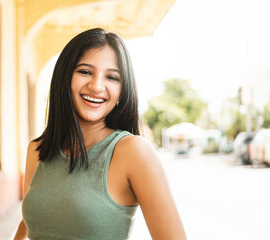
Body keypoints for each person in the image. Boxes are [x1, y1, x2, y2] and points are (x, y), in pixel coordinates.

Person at [14, 28, 186, 240]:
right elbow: (31, 222)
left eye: (112, 77)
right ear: (64, 78)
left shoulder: (133, 151)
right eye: (85, 71)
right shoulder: (38, 149)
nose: (96, 86)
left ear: (123, 91)